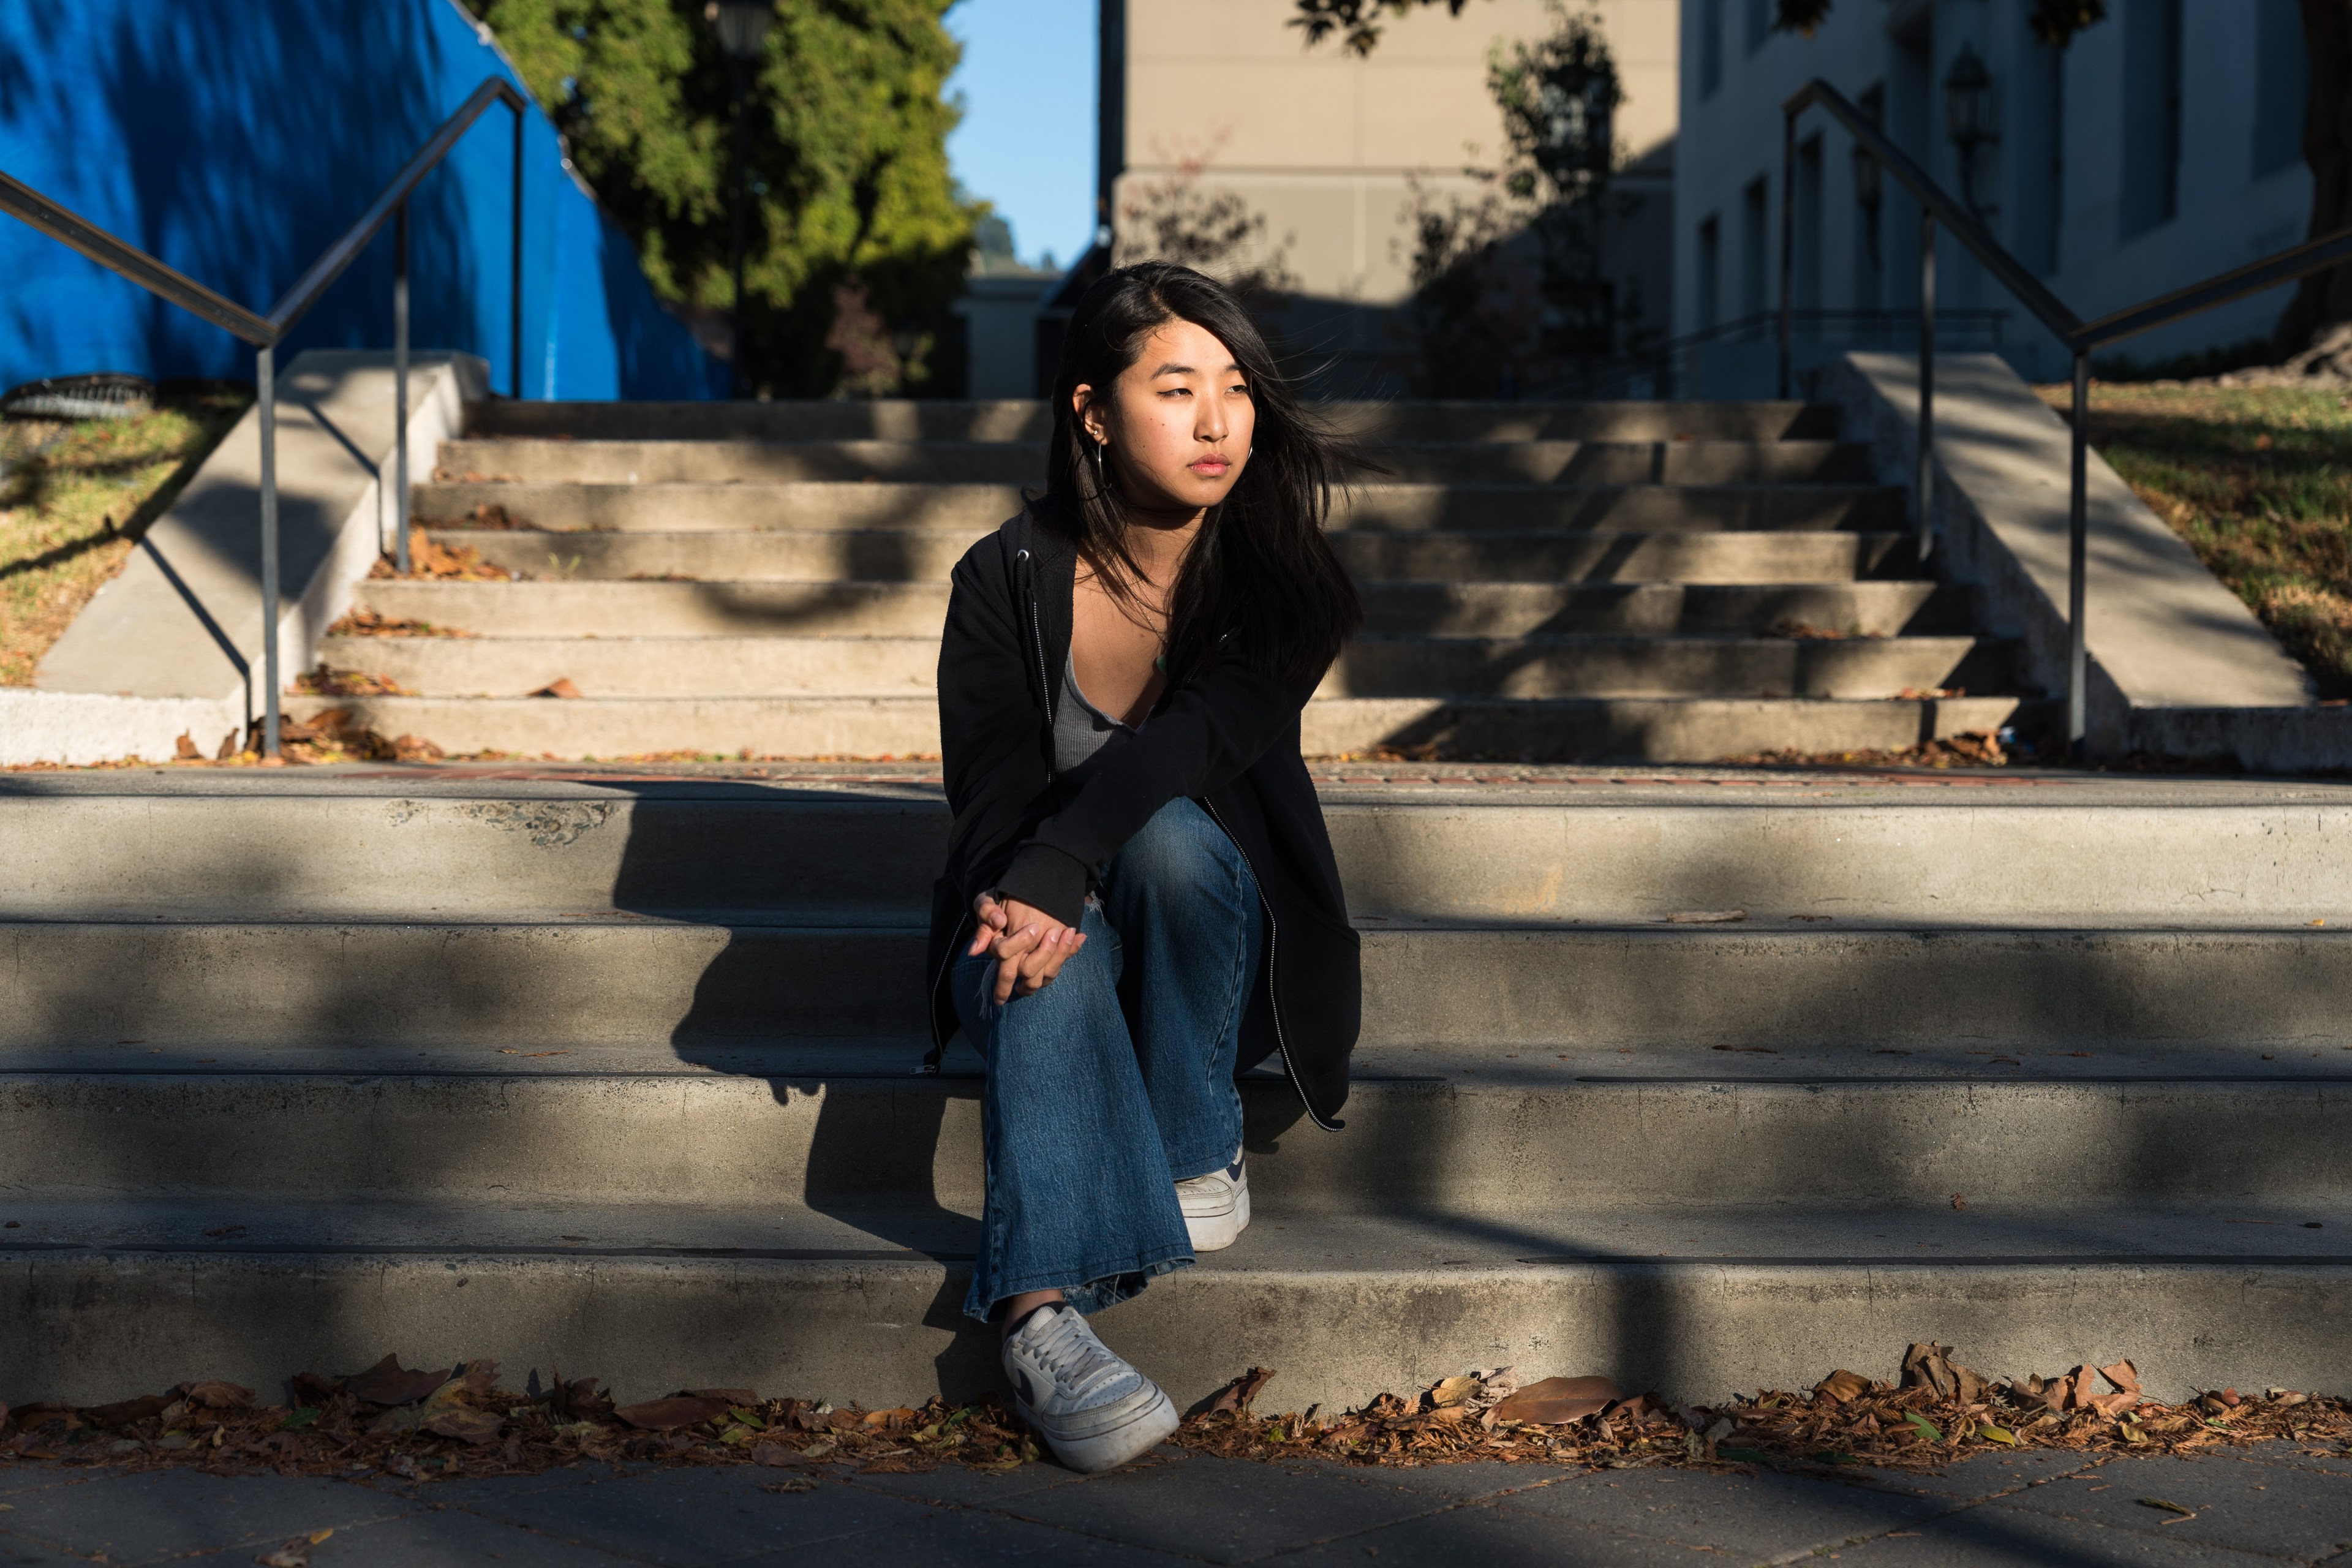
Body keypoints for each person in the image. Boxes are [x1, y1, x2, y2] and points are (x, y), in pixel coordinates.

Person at [925, 261, 1365, 1472]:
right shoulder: (1001, 581)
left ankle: (1193, 1125)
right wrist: (1035, 891)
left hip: (1202, 917)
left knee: (1170, 827)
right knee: (1040, 952)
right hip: (1040, 907)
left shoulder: (1288, 580)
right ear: (1092, 410)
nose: (1218, 420)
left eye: (1235, 387)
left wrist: (1066, 855)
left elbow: (1195, 741)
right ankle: (1037, 1322)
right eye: (1176, 388)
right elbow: (996, 797)